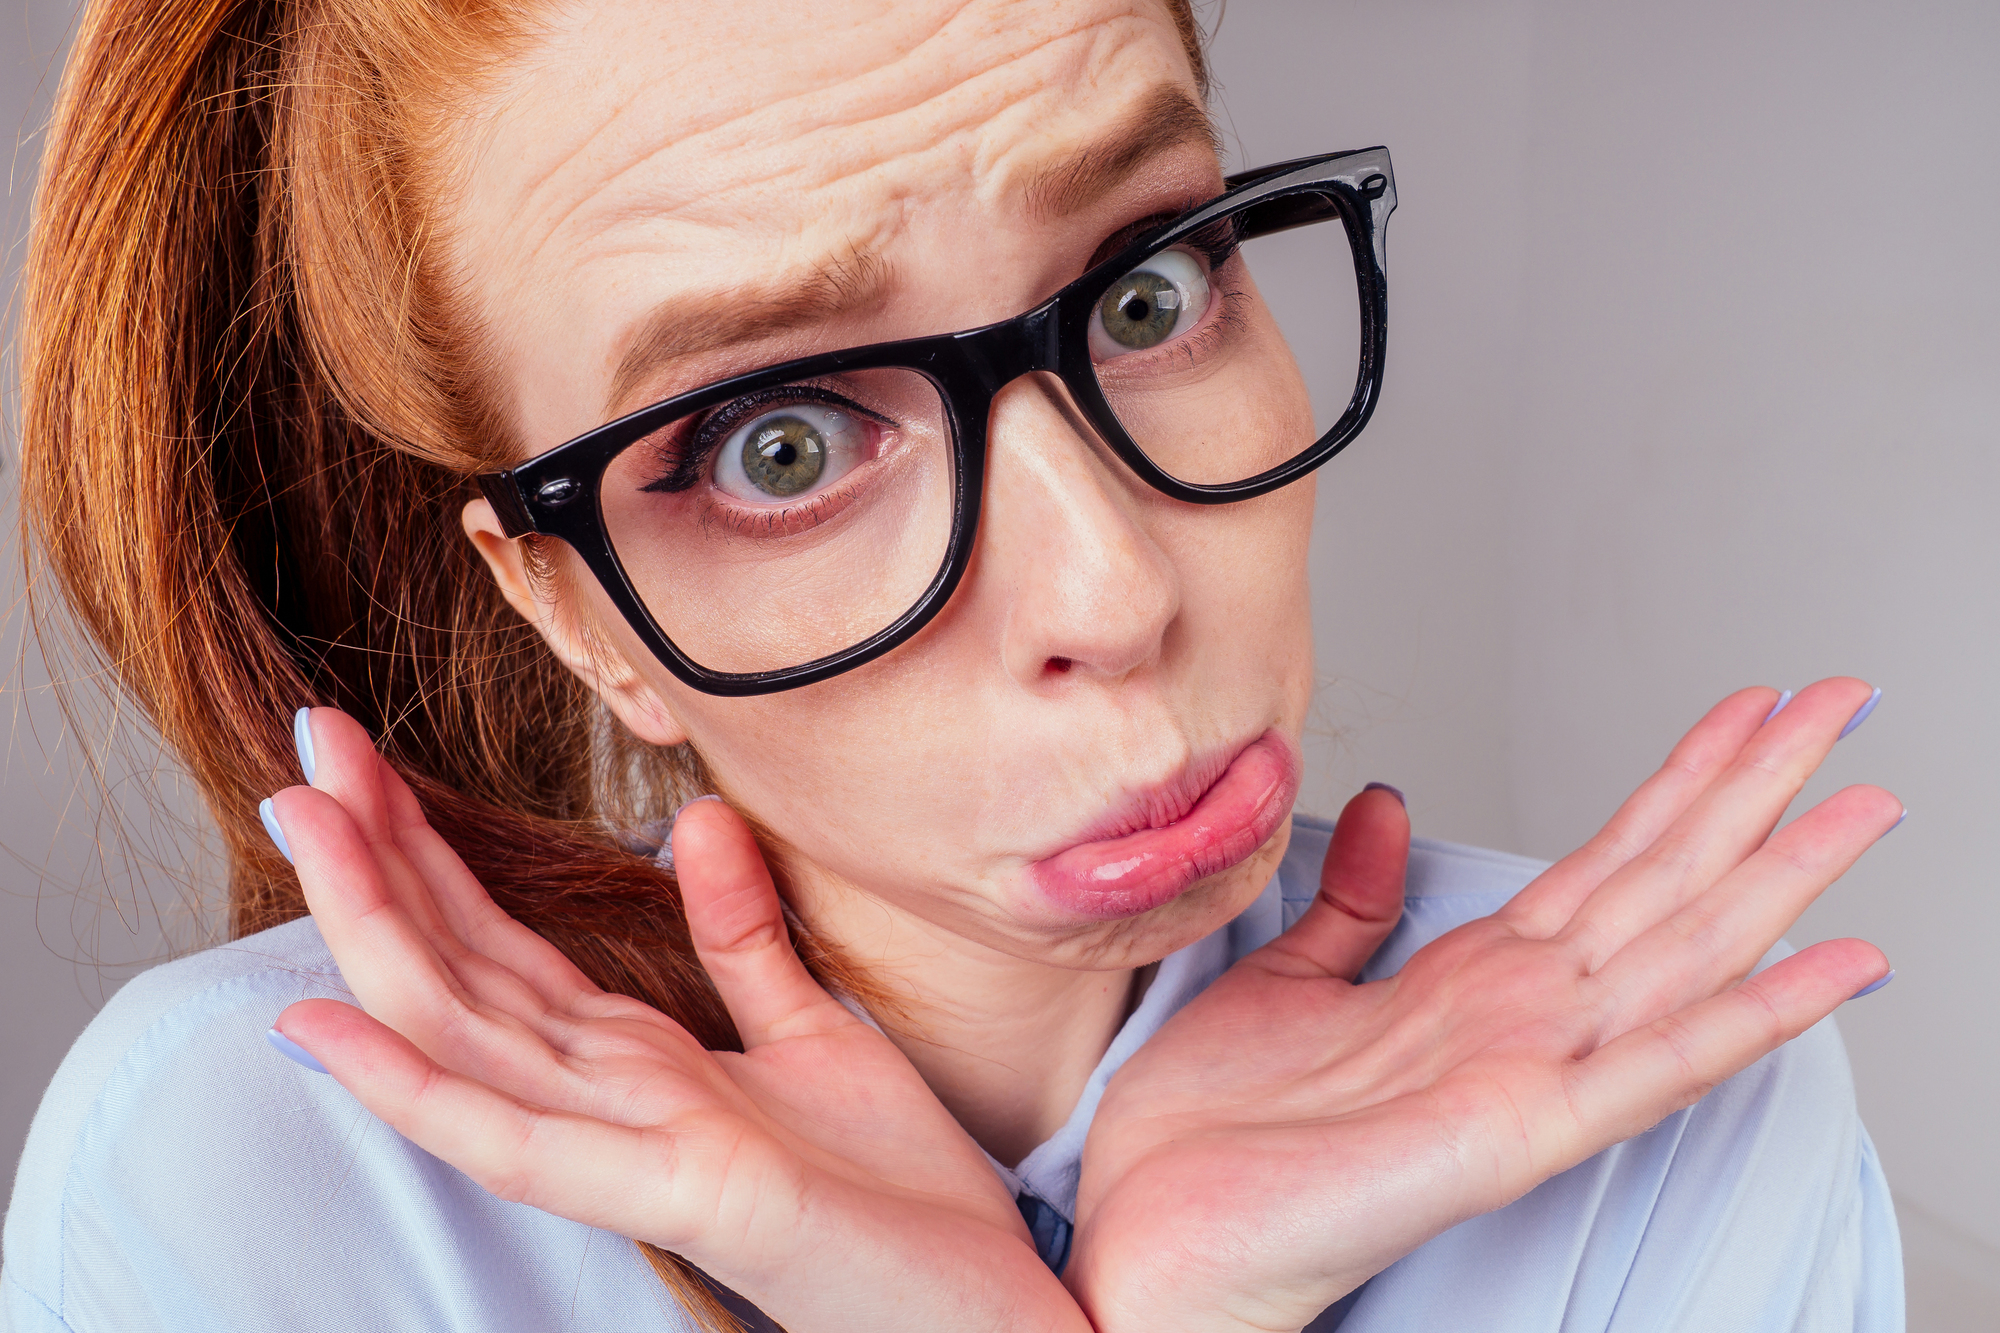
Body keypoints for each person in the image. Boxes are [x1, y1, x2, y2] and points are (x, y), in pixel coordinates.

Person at [2, 0, 1903, 1329]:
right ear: (571, 608)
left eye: (1151, 284)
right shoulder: (254, 1169)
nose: (1117, 588)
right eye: (785, 446)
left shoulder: (1647, 1098)